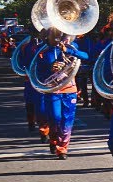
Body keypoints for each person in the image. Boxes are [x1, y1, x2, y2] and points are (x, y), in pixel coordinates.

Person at [31, 29, 89, 159]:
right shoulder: (41, 51)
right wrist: (50, 69)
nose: (59, 37)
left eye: (61, 34)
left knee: (67, 120)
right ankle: (53, 139)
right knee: (55, 118)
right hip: (52, 89)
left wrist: (68, 51)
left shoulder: (71, 46)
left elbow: (86, 56)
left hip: (69, 89)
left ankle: (62, 148)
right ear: (48, 36)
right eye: (55, 34)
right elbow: (37, 74)